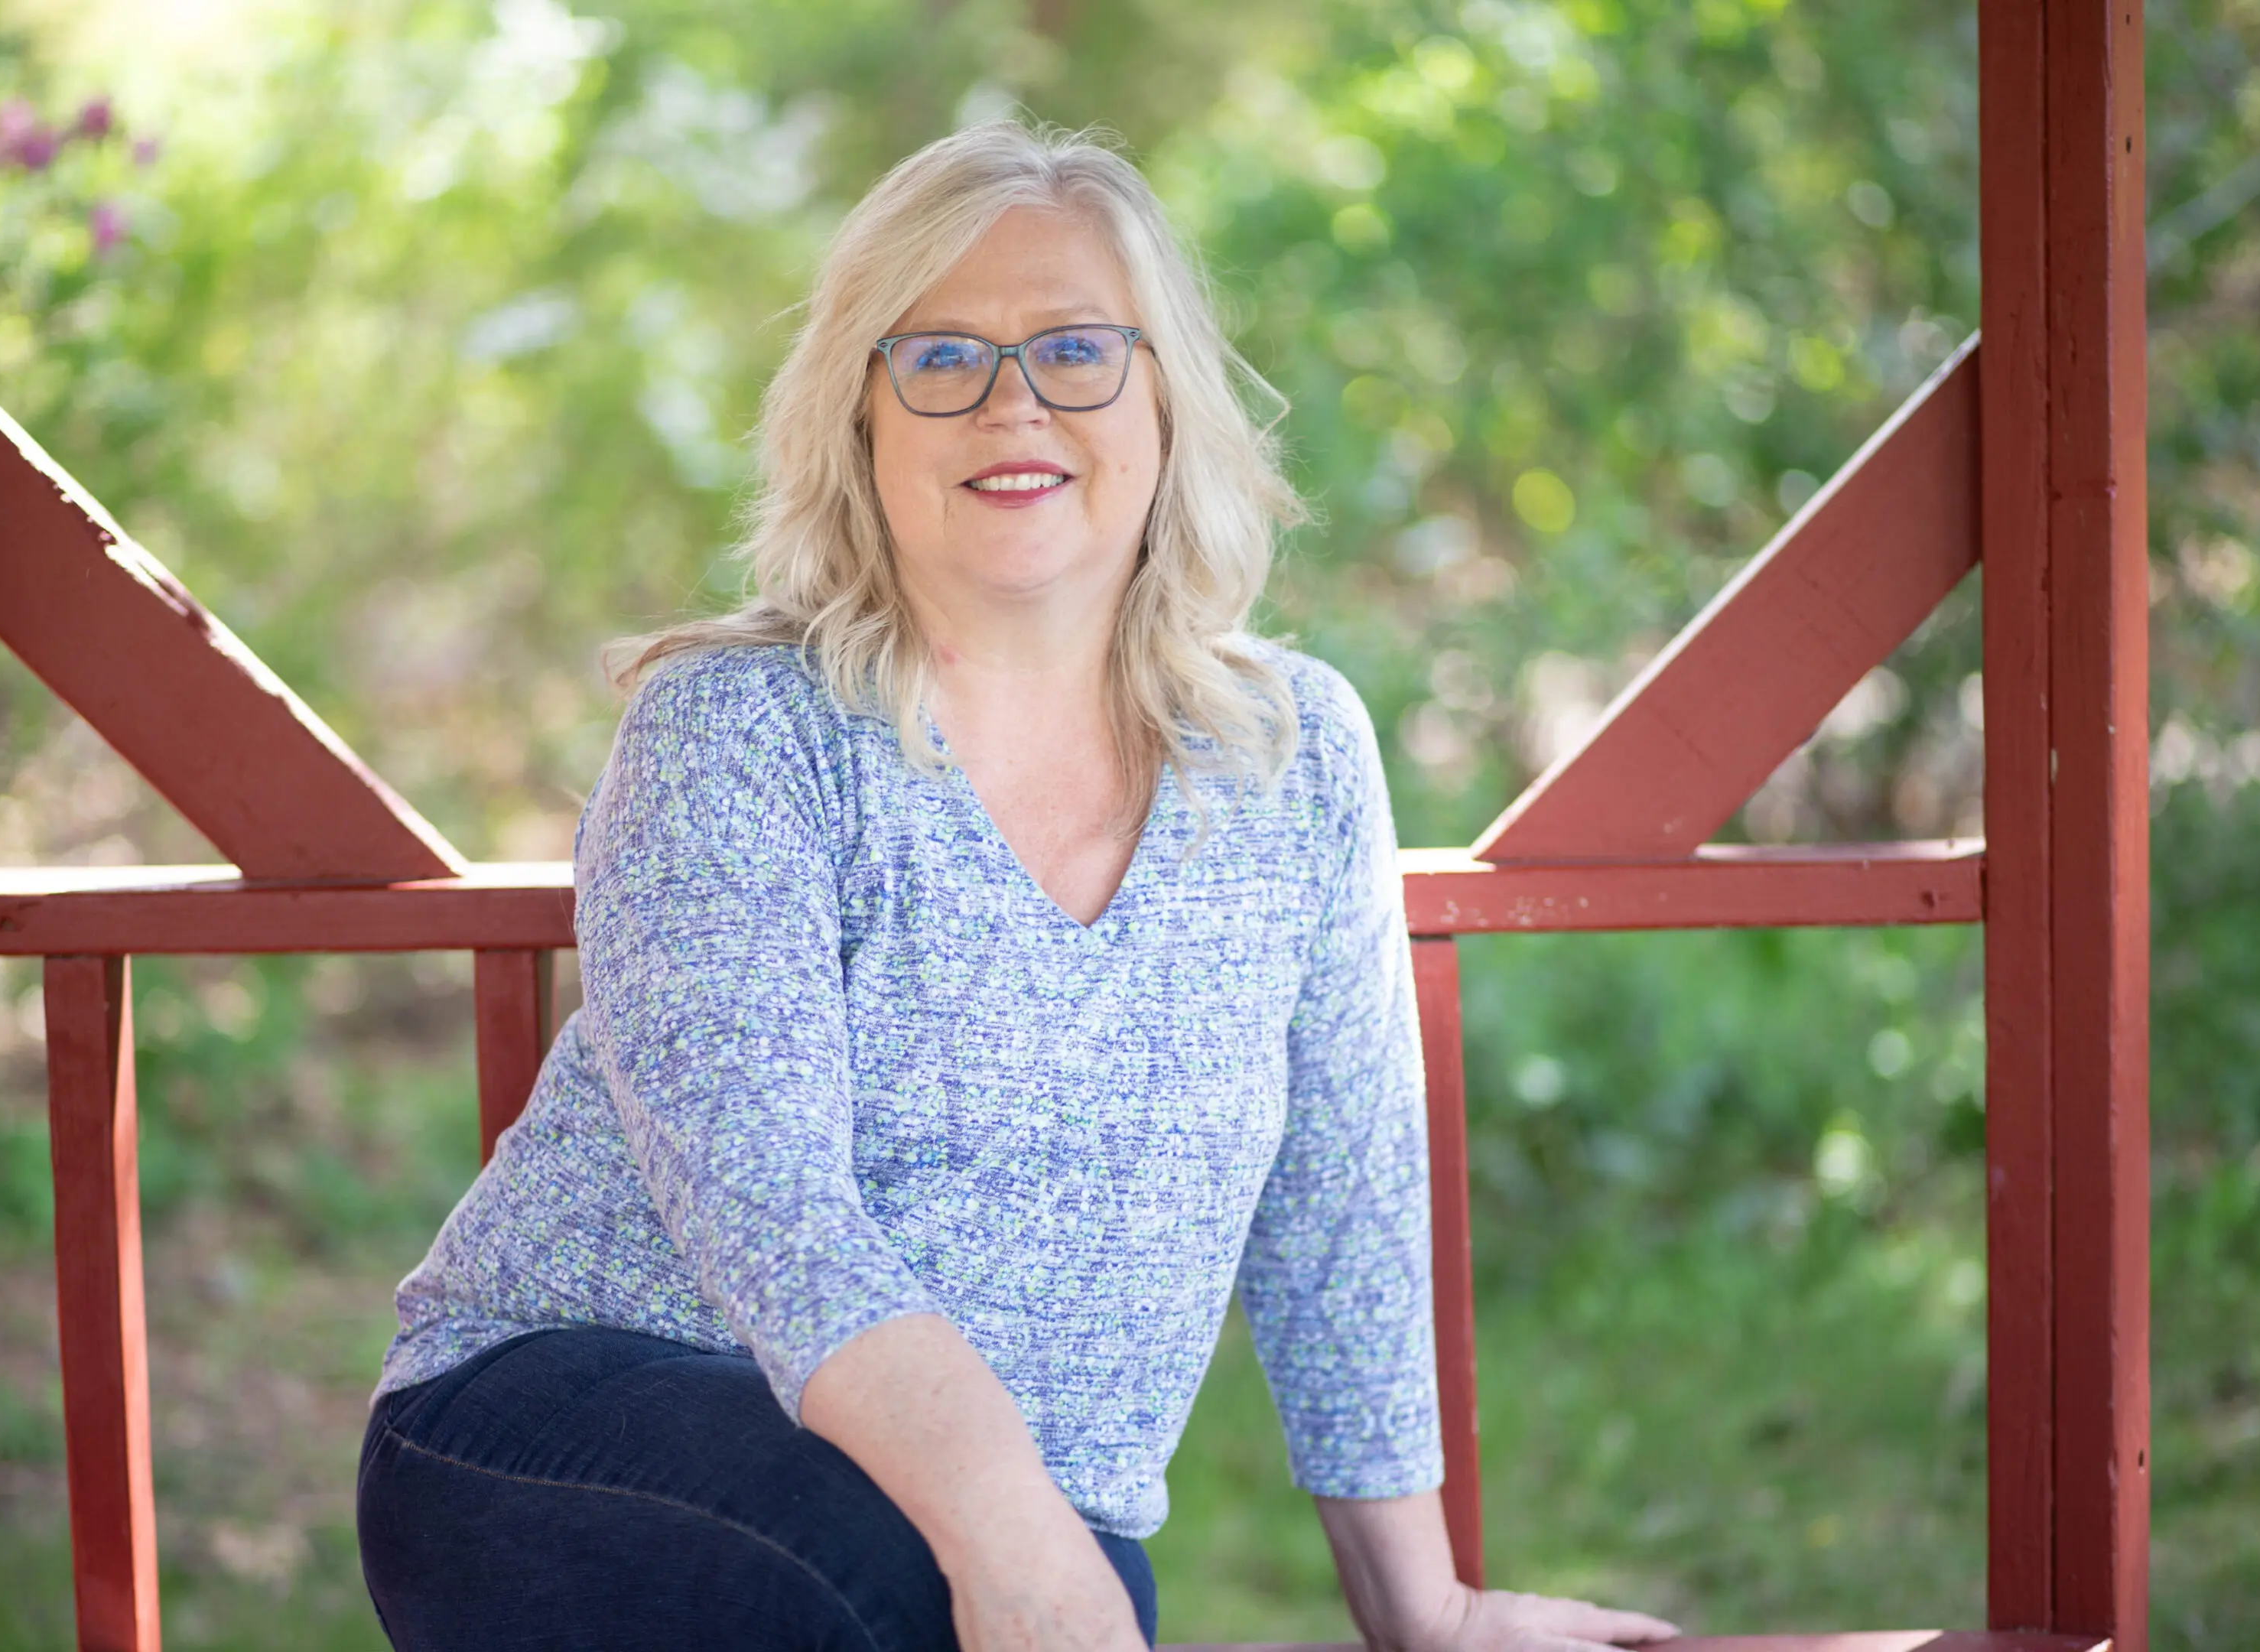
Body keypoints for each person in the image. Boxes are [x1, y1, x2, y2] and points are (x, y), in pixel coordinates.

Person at [356, 119, 1680, 1652]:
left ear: (1166, 399)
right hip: (573, 1420)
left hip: (1018, 1516)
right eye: (941, 359)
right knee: (952, 1583)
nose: (1012, 403)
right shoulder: (745, 732)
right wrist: (1011, 1541)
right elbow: (776, 1219)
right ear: (859, 418)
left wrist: (1426, 1611)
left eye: (1073, 349)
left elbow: (1341, 1204)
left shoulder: (1293, 754)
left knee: (1054, 1586)